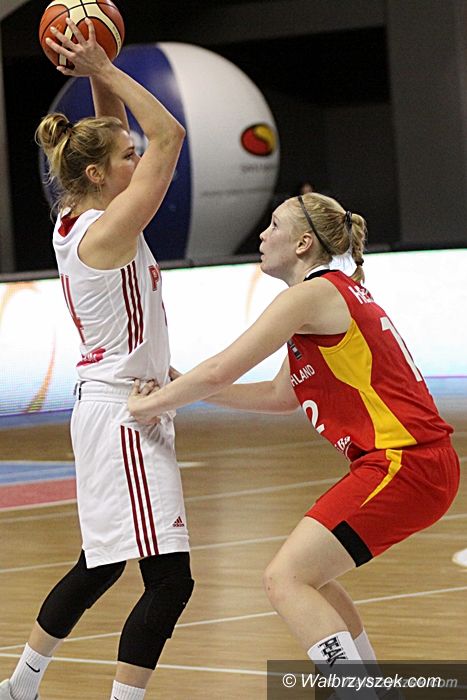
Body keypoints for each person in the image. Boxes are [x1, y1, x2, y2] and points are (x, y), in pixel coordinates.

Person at [128, 192, 460, 698]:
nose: (262, 235)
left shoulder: (311, 296)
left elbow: (219, 369)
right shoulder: (328, 296)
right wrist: (180, 386)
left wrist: (151, 404)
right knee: (311, 579)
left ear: (303, 243)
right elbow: (280, 395)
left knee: (283, 579)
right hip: (412, 464)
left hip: (404, 462)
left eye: (274, 226)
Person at [0, 18, 193, 700]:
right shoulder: (109, 230)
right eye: (127, 157)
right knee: (169, 581)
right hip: (124, 414)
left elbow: (122, 135)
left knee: (101, 563)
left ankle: (20, 686)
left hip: (114, 405)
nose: (137, 159)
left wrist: (95, 73)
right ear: (96, 174)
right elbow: (170, 136)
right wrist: (106, 69)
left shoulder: (78, 218)